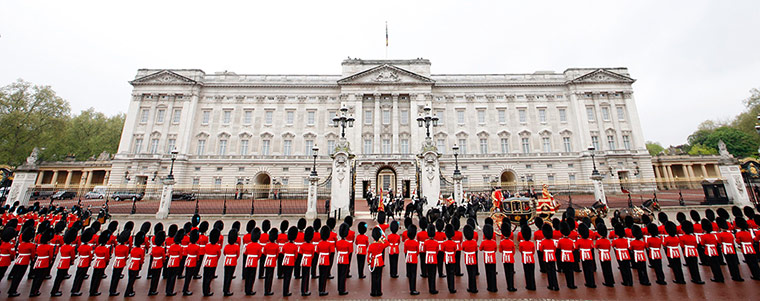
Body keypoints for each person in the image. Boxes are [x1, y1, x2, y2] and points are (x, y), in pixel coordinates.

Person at [51, 225, 77, 296]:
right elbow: (72, 256)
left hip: (61, 262)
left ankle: (54, 290)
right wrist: (72, 261)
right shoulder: (70, 248)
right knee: (59, 278)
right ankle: (55, 291)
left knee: (58, 278)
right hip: (66, 263)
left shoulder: (63, 247)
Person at [8, 227, 35, 297]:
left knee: (15, 276)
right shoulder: (31, 245)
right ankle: (13, 291)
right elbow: (32, 255)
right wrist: (32, 259)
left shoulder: (21, 244)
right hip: (24, 262)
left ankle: (11, 289)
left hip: (18, 260)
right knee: (18, 277)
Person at [29, 229, 55, 297]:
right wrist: (50, 261)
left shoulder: (39, 246)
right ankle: (35, 291)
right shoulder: (50, 247)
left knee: (36, 277)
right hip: (44, 263)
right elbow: (51, 256)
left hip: (38, 262)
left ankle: (33, 290)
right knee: (40, 278)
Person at [109, 230, 131, 296]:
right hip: (121, 263)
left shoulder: (117, 247)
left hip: (116, 262)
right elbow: (126, 256)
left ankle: (111, 290)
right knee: (116, 278)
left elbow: (116, 254)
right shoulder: (126, 247)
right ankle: (113, 291)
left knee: (114, 277)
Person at [124, 231, 146, 297]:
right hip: (136, 265)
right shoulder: (141, 250)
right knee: (131, 281)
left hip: (131, 265)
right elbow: (141, 259)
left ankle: (130, 291)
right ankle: (127, 292)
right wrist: (141, 265)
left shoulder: (133, 249)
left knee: (130, 279)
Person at [367, 227, 388, 297]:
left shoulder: (371, 246)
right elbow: (387, 243)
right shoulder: (381, 245)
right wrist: (382, 237)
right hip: (380, 262)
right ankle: (379, 291)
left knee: (373, 277)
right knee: (379, 277)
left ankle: (373, 291)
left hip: (373, 262)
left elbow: (369, 255)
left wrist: (369, 263)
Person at [539, 224, 559, 291]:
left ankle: (551, 285)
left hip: (546, 257)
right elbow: (555, 249)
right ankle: (556, 285)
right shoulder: (552, 241)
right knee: (553, 271)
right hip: (552, 257)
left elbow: (541, 249)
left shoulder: (543, 241)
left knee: (549, 271)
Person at [202, 229, 221, 296]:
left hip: (206, 262)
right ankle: (207, 291)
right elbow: (219, 255)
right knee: (209, 278)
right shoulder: (217, 246)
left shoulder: (207, 245)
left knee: (205, 277)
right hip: (213, 263)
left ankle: (204, 290)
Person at [166, 229, 185, 296]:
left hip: (170, 262)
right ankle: (170, 291)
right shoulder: (180, 247)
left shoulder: (171, 246)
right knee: (173, 277)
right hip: (176, 262)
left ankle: (167, 290)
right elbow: (180, 256)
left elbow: (168, 254)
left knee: (169, 276)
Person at [242, 228, 261, 296]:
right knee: (252, 277)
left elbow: (246, 253)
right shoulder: (259, 246)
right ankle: (250, 290)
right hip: (254, 262)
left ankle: (246, 289)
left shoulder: (248, 245)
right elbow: (259, 255)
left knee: (247, 276)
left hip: (248, 261)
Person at [336, 223, 352, 295]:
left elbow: (337, 250)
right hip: (345, 259)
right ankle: (342, 289)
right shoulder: (348, 243)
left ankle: (339, 287)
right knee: (343, 274)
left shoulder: (337, 243)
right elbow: (349, 251)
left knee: (339, 273)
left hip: (339, 258)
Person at [481, 224, 498, 292]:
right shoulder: (494, 242)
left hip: (486, 258)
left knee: (488, 272)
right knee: (493, 272)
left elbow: (480, 249)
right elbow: (495, 250)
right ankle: (494, 287)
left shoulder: (484, 242)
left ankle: (489, 287)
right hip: (493, 258)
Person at [281, 227, 299, 296]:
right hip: (291, 262)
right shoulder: (295, 246)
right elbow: (296, 256)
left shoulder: (285, 245)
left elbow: (283, 252)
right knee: (288, 277)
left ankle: (284, 291)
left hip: (285, 261)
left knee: (285, 277)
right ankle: (286, 292)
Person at [147, 230, 166, 296]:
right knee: (156, 278)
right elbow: (163, 257)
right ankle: (153, 290)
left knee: (153, 278)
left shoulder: (154, 249)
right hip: (159, 263)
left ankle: (151, 290)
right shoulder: (161, 249)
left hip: (154, 263)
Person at [182, 230, 200, 295]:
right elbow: (197, 256)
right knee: (188, 277)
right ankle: (185, 290)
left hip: (188, 261)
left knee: (187, 276)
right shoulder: (197, 246)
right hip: (192, 262)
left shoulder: (188, 245)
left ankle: (185, 289)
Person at [404, 224, 420, 295]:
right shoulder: (416, 242)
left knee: (410, 274)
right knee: (413, 274)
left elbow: (405, 251)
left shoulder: (406, 242)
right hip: (413, 258)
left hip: (408, 258)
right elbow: (417, 252)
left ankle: (411, 288)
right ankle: (413, 289)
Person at [518, 225, 536, 290]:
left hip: (525, 258)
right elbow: (533, 251)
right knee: (532, 272)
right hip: (531, 258)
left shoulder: (521, 243)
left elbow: (520, 250)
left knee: (527, 272)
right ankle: (533, 285)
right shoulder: (532, 243)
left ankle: (528, 285)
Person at [462, 224, 478, 293]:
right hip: (473, 258)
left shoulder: (464, 243)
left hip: (467, 259)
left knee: (469, 273)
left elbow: (463, 249)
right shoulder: (474, 242)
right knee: (473, 273)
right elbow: (475, 249)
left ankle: (470, 287)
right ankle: (474, 288)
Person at [262, 228, 279, 296]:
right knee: (270, 276)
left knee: (267, 276)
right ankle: (268, 290)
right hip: (272, 261)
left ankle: (266, 290)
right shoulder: (276, 246)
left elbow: (264, 252)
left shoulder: (266, 245)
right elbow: (277, 254)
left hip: (267, 260)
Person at [442, 224, 458, 293]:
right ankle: (452, 287)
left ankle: (449, 286)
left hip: (446, 258)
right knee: (452, 272)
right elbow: (455, 251)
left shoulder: (444, 243)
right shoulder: (454, 243)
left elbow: (443, 250)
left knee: (448, 272)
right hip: (452, 258)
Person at [423, 225, 439, 294]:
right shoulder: (436, 242)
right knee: (433, 274)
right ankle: (433, 288)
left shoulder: (425, 242)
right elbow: (437, 251)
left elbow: (424, 250)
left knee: (429, 274)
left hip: (428, 259)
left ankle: (430, 288)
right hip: (434, 259)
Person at [299, 227, 315, 296]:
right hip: (308, 260)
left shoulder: (302, 245)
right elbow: (313, 254)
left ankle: (303, 289)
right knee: (306, 276)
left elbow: (300, 252)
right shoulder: (312, 246)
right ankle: (305, 290)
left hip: (303, 260)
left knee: (303, 275)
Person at [316, 226, 332, 296]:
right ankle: (323, 290)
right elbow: (330, 252)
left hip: (320, 260)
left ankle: (320, 289)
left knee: (320, 275)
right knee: (324, 276)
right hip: (326, 260)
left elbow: (317, 251)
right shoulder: (329, 244)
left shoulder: (319, 243)